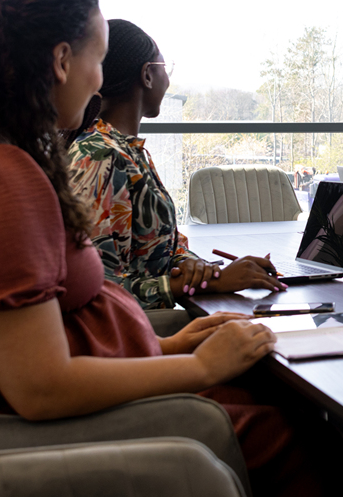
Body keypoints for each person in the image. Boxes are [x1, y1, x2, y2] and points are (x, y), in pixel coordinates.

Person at [0, 0, 343, 497]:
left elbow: (49, 333)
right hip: (50, 428)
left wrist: (167, 345)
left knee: (289, 398)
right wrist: (202, 366)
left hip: (83, 396)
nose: (98, 80)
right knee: (303, 433)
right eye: (96, 59)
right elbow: (39, 385)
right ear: (62, 61)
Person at [69, 19, 281, 310]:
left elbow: (160, 252)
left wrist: (207, 270)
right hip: (135, 331)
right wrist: (212, 282)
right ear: (147, 75)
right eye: (165, 67)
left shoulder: (127, 150)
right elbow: (102, 290)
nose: (169, 79)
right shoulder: (102, 156)